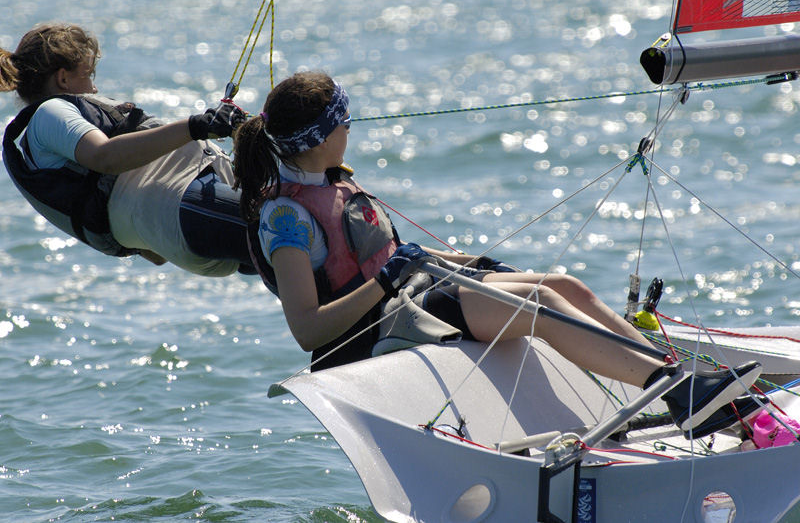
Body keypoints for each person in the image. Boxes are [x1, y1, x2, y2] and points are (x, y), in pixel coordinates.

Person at [232, 70, 765, 439]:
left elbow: (387, 257)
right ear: (320, 135)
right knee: (535, 306)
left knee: (563, 285)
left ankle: (682, 383)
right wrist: (387, 281)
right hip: (377, 327)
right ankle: (669, 393)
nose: (350, 126)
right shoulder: (287, 220)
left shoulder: (329, 181)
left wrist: (459, 263)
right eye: (342, 119)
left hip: (410, 295)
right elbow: (307, 330)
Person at [0, 23, 253, 276]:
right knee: (287, 228)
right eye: (88, 75)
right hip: (187, 205)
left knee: (289, 253)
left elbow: (155, 256)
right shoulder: (50, 112)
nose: (95, 89)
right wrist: (196, 126)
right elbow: (104, 156)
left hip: (188, 221)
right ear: (63, 78)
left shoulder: (49, 146)